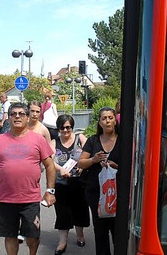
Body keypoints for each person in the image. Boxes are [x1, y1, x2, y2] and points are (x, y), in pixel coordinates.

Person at [0, 102, 56, 255]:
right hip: (5, 199)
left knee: (32, 236)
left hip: (30, 200)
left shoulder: (38, 140)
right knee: (10, 235)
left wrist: (50, 191)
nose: (17, 116)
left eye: (21, 113)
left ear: (28, 118)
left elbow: (50, 166)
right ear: (9, 118)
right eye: (13, 114)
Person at [77, 106, 121, 255]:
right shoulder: (93, 140)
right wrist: (93, 160)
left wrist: (117, 167)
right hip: (96, 193)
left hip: (118, 193)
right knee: (100, 231)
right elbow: (80, 163)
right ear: (100, 122)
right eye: (104, 118)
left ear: (115, 120)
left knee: (118, 231)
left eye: (110, 117)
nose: (107, 121)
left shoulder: (124, 140)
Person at [51, 114, 90, 254]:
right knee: (62, 212)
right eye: (62, 128)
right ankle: (62, 242)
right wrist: (60, 169)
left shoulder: (80, 138)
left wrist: (83, 164)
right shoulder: (54, 142)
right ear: (58, 128)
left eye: (68, 127)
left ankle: (80, 235)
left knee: (80, 210)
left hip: (79, 182)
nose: (66, 130)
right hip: (61, 183)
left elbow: (90, 152)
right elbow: (49, 161)